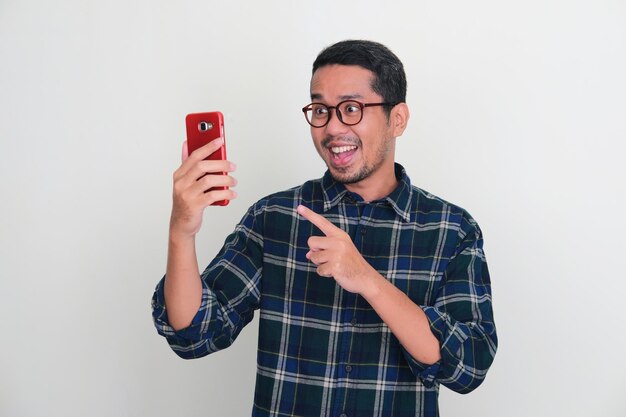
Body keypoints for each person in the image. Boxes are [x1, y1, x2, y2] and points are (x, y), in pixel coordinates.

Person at [152, 39, 497, 417]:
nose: (332, 128)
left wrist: (367, 279)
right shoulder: (275, 217)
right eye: (320, 109)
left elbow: (469, 365)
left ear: (397, 119)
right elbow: (194, 334)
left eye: (351, 109)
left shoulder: (451, 230)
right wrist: (181, 232)